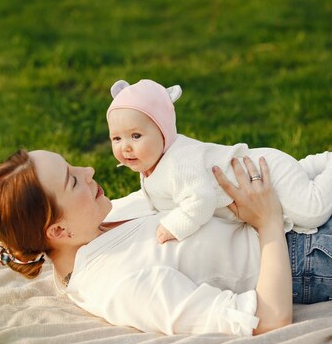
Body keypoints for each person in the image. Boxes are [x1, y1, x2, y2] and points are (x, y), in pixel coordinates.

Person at [0, 148, 332, 337]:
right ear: (57, 231)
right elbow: (269, 320)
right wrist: (267, 221)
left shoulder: (101, 222)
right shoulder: (122, 285)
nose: (89, 172)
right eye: (73, 181)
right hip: (309, 252)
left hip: (296, 209)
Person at [106, 79, 332, 243]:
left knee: (312, 213)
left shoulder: (179, 162)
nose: (125, 146)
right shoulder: (152, 162)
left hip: (269, 172)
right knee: (300, 183)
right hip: (260, 177)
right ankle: (311, 166)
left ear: (163, 132)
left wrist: (174, 226)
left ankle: (327, 163)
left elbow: (200, 200)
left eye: (136, 136)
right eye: (117, 138)